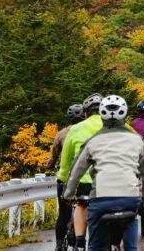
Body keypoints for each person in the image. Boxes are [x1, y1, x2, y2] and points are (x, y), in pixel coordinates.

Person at [64, 95, 144, 251]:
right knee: (131, 239)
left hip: (101, 198)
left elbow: (76, 170)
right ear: (124, 114)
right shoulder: (136, 139)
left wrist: (69, 194)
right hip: (130, 198)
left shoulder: (93, 141)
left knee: (96, 246)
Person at [57, 93, 104, 251]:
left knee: (82, 204)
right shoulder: (115, 126)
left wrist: (63, 178)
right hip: (110, 180)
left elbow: (65, 160)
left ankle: (79, 241)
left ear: (85, 113)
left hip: (84, 181)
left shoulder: (76, 129)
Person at [48, 103, 85, 249]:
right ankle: (80, 239)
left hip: (65, 179)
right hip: (83, 178)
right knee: (84, 208)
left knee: (63, 214)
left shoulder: (62, 134)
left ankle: (58, 245)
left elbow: (53, 156)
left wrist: (49, 166)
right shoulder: (87, 132)